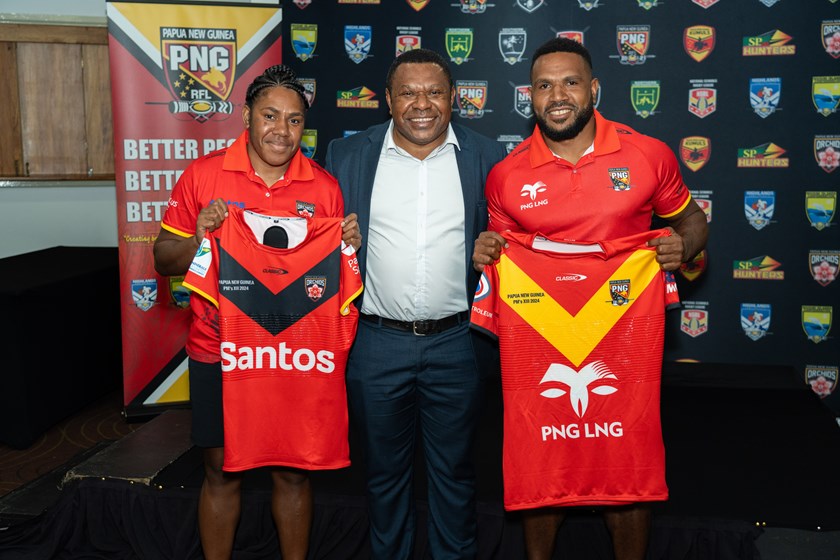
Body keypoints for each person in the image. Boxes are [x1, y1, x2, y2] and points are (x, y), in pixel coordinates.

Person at [471, 37, 708, 560]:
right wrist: (487, 250)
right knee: (542, 452)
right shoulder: (506, 176)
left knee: (626, 454)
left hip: (623, 334)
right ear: (528, 97)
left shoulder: (647, 154)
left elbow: (692, 221)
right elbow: (502, 252)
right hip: (543, 337)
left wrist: (681, 246)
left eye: (570, 82)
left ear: (594, 89)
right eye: (544, 85)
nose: (558, 95)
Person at [153, 64, 361, 560]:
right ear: (247, 114)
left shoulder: (324, 187)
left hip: (295, 357)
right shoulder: (203, 175)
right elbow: (162, 260)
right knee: (221, 470)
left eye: (293, 121)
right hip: (219, 353)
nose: (281, 131)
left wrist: (347, 248)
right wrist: (202, 237)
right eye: (270, 115)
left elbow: (329, 285)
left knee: (293, 471)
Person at [324, 48, 506, 559]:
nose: (421, 104)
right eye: (407, 92)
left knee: (455, 474)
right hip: (375, 343)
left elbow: (522, 235)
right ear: (387, 99)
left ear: (453, 99)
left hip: (458, 343)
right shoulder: (347, 155)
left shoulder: (488, 158)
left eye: (434, 92)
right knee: (383, 476)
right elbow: (302, 221)